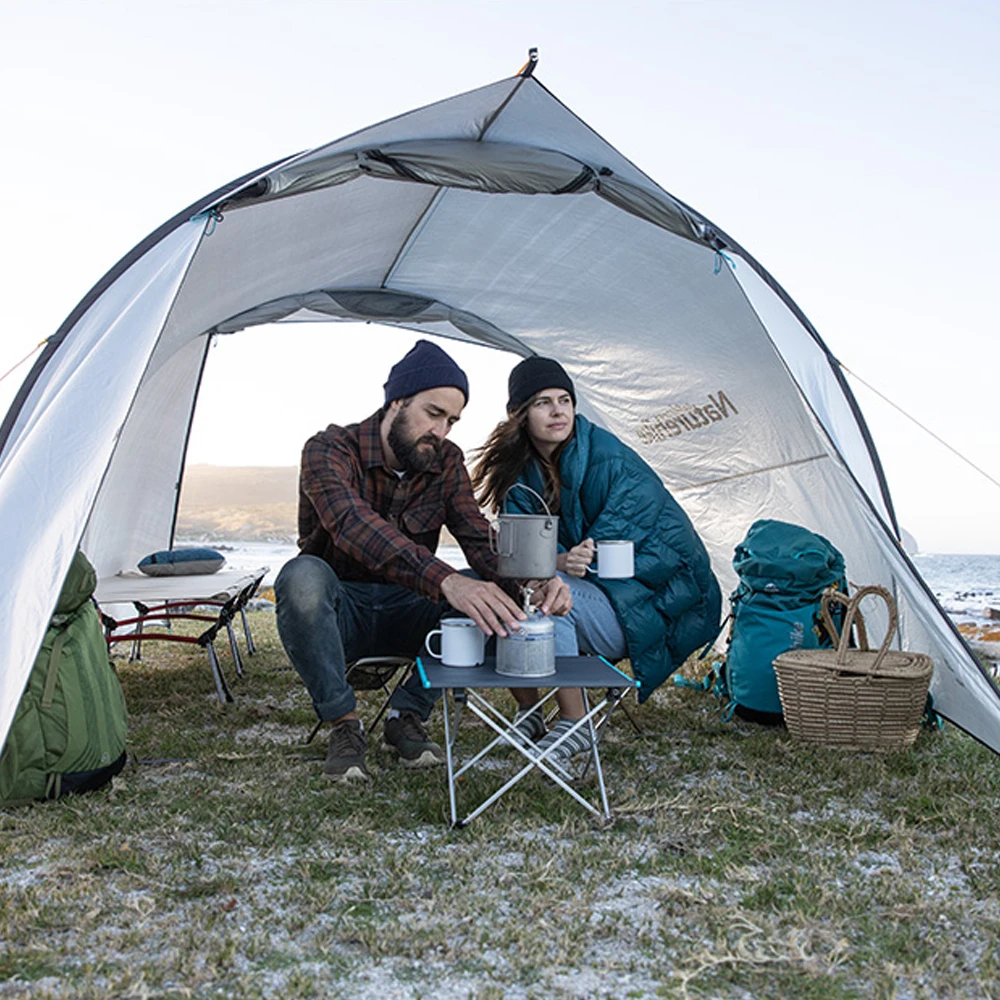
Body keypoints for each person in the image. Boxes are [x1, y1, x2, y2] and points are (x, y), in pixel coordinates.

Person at [274, 340, 571, 782]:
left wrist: (533, 582)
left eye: (451, 421)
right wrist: (447, 581)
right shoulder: (329, 449)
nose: (442, 431)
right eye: (434, 413)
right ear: (396, 402)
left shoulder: (446, 461)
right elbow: (352, 525)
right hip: (340, 614)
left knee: (486, 593)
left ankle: (407, 714)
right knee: (301, 577)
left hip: (408, 607)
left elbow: (477, 537)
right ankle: (344, 725)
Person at [471, 356, 722, 763]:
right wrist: (559, 560)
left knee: (555, 601)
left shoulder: (606, 456)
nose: (558, 411)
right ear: (519, 415)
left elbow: (639, 529)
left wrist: (577, 560)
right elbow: (521, 553)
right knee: (511, 591)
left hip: (654, 599)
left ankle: (576, 722)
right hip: (601, 594)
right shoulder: (520, 474)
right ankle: (530, 711)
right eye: (542, 403)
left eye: (565, 400)